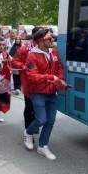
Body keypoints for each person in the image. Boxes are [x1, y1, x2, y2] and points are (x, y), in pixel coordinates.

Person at [23, 29, 65, 161]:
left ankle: (43, 146)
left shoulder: (55, 52)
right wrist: (52, 78)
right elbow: (32, 76)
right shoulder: (32, 56)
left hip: (52, 93)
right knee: (41, 120)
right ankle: (28, 133)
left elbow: (59, 68)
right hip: (38, 93)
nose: (52, 41)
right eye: (49, 39)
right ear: (41, 42)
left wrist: (59, 79)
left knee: (51, 121)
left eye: (52, 38)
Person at [11, 27, 43, 130]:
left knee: (38, 107)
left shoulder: (46, 48)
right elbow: (14, 61)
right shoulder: (24, 48)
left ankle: (34, 124)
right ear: (34, 35)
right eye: (40, 33)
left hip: (42, 83)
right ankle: (28, 129)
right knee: (29, 106)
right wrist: (23, 66)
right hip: (28, 83)